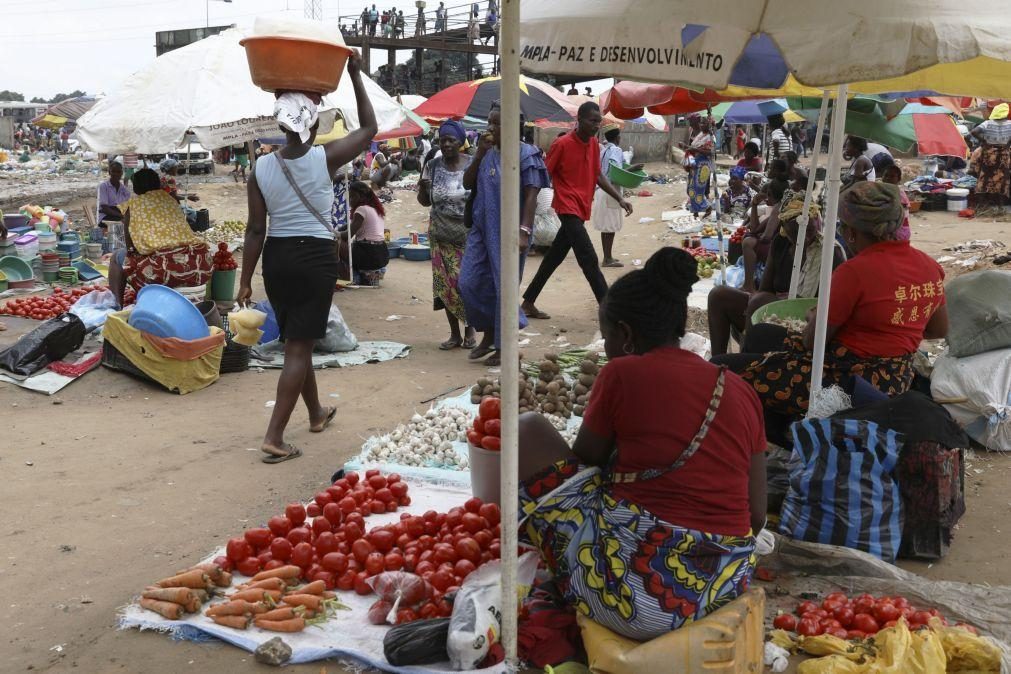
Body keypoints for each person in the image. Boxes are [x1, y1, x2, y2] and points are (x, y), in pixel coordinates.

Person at [517, 246, 765, 641]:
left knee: (527, 428)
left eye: (607, 337)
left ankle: (553, 561)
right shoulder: (738, 389)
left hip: (634, 600)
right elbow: (756, 517)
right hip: (721, 590)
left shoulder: (621, 374)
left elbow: (584, 469)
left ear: (626, 335)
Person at [237, 50, 377, 463]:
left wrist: (246, 280)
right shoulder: (324, 157)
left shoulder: (259, 169)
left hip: (277, 258)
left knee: (300, 337)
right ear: (311, 122)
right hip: (314, 257)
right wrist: (354, 75)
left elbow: (255, 229)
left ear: (281, 124)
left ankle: (315, 413)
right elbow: (369, 127)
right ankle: (274, 437)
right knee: (299, 346)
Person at [720, 182, 948, 418]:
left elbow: (811, 342)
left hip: (849, 381)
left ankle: (779, 429)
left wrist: (814, 315)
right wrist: (892, 330)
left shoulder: (854, 272)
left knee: (724, 370)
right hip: (896, 378)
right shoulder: (930, 267)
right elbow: (938, 329)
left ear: (850, 232)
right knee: (761, 334)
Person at [521, 102, 632, 320]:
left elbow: (598, 175)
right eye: (592, 120)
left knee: (554, 257)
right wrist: (534, 207)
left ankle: (528, 302)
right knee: (588, 257)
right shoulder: (561, 144)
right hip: (567, 206)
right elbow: (545, 175)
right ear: (579, 120)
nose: (596, 125)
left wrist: (619, 197)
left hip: (582, 207)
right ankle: (609, 309)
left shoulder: (593, 144)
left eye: (598, 121)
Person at [460, 103, 550, 366]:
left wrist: (524, 231)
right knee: (469, 282)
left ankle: (503, 344)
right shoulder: (487, 153)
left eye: (496, 123)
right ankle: (488, 334)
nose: (490, 127)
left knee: (504, 287)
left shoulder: (527, 154)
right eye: (489, 121)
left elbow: (532, 194)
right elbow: (467, 183)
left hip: (509, 231)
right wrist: (478, 154)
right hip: (481, 228)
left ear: (513, 126)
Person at [708, 190, 845, 356]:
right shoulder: (780, 243)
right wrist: (774, 301)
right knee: (719, 295)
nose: (804, 239)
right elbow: (765, 288)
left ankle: (748, 359)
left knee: (760, 301)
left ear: (817, 224)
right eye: (795, 233)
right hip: (775, 311)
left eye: (809, 231)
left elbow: (833, 305)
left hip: (807, 319)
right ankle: (719, 361)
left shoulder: (831, 252)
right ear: (784, 228)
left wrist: (791, 300)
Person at [108, 168, 212, 307]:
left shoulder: (132, 205)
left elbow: (130, 247)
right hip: (198, 263)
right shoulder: (171, 200)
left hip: (161, 270)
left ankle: (117, 305)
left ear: (137, 187)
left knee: (116, 257)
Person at [418, 120, 476, 351]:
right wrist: (423, 188)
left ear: (461, 142)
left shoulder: (472, 164)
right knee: (445, 286)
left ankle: (470, 331)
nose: (447, 144)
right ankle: (454, 335)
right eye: (443, 140)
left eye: (452, 140)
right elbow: (424, 202)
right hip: (440, 235)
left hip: (467, 235)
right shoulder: (432, 165)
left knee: (466, 284)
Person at [592, 125, 640, 268]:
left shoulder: (603, 150)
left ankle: (608, 256)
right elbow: (614, 171)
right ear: (617, 137)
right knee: (610, 226)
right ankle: (607, 259)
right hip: (611, 191)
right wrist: (633, 169)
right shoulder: (616, 150)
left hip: (601, 191)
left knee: (607, 226)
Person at [338, 181, 390, 284]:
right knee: (349, 244)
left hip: (368, 255)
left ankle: (353, 276)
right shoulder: (374, 209)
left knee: (337, 243)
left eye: (352, 197)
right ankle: (364, 274)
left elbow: (348, 235)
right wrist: (335, 230)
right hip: (381, 255)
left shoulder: (361, 209)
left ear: (361, 196)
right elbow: (348, 227)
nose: (350, 201)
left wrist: (334, 235)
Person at [740, 178, 787, 292]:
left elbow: (767, 237)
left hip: (781, 248)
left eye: (767, 195)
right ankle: (749, 284)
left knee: (748, 242)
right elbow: (755, 228)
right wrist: (754, 205)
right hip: (778, 244)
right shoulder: (779, 206)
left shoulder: (778, 208)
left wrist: (757, 236)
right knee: (749, 237)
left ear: (771, 195)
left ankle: (748, 285)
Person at [969, 103, 1011, 210]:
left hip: (989, 154)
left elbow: (973, 132)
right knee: (1002, 178)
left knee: (985, 176)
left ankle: (981, 205)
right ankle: (1000, 207)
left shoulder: (987, 123)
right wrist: (1007, 143)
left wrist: (984, 141)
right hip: (1004, 155)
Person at [681, 114, 715, 218]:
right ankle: (695, 211)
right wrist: (686, 147)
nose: (701, 125)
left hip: (703, 165)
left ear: (710, 125)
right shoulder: (700, 135)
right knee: (690, 188)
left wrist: (693, 149)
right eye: (701, 122)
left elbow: (710, 152)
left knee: (697, 189)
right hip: (695, 164)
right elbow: (692, 148)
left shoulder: (711, 137)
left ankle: (706, 207)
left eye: (704, 123)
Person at [881, 164, 911, 241]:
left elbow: (894, 214)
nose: (887, 178)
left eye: (892, 176)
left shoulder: (900, 194)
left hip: (899, 231)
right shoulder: (885, 191)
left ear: (899, 179)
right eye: (886, 175)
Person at [98, 160, 131, 225]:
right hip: (106, 217)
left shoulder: (124, 190)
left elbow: (128, 207)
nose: (116, 174)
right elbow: (105, 208)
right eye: (113, 171)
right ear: (109, 172)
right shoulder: (104, 186)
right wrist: (121, 215)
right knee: (125, 223)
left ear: (122, 173)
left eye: (118, 172)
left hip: (119, 215)